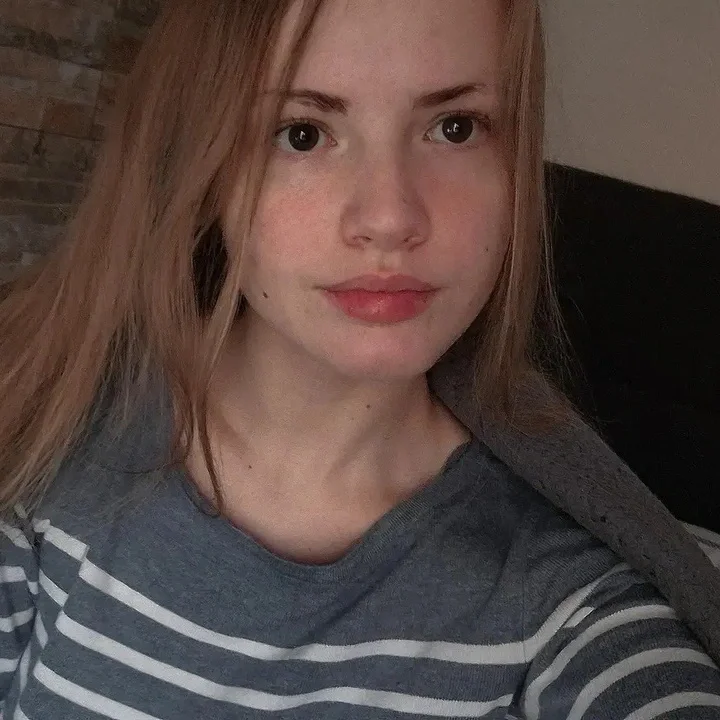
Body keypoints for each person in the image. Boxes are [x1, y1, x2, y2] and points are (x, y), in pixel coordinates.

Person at [0, 0, 718, 717]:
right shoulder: (45, 443)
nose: (390, 218)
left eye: (455, 127)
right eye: (303, 133)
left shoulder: (564, 602)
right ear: (207, 169)